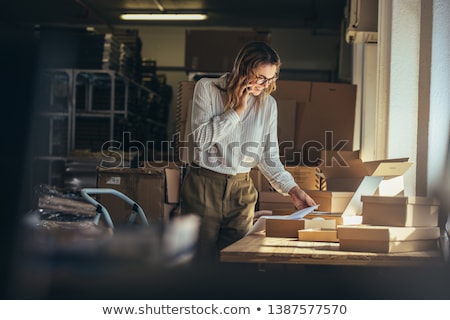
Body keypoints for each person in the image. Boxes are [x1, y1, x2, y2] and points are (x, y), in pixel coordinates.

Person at [180, 41, 316, 265]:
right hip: (203, 185)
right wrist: (236, 111)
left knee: (237, 263)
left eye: (271, 78)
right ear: (242, 69)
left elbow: (268, 157)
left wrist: (293, 190)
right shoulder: (207, 88)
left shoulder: (268, 104)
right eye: (260, 77)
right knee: (199, 263)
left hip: (242, 191)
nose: (265, 84)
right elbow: (199, 142)